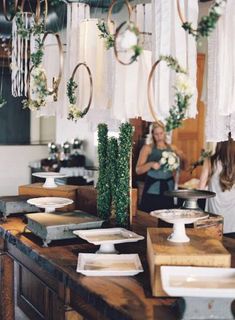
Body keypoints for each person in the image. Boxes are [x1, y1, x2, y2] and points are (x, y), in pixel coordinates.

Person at [136, 122, 185, 213]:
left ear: (165, 133)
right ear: (152, 135)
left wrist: (181, 158)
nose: (159, 136)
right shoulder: (147, 148)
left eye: (161, 133)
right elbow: (138, 170)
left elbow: (182, 165)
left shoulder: (172, 148)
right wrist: (150, 164)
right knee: (151, 216)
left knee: (168, 216)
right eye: (156, 134)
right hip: (153, 187)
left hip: (168, 187)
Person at [199, 136, 235, 234]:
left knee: (214, 244)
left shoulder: (210, 160)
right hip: (233, 213)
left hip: (215, 212)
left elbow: (201, 188)